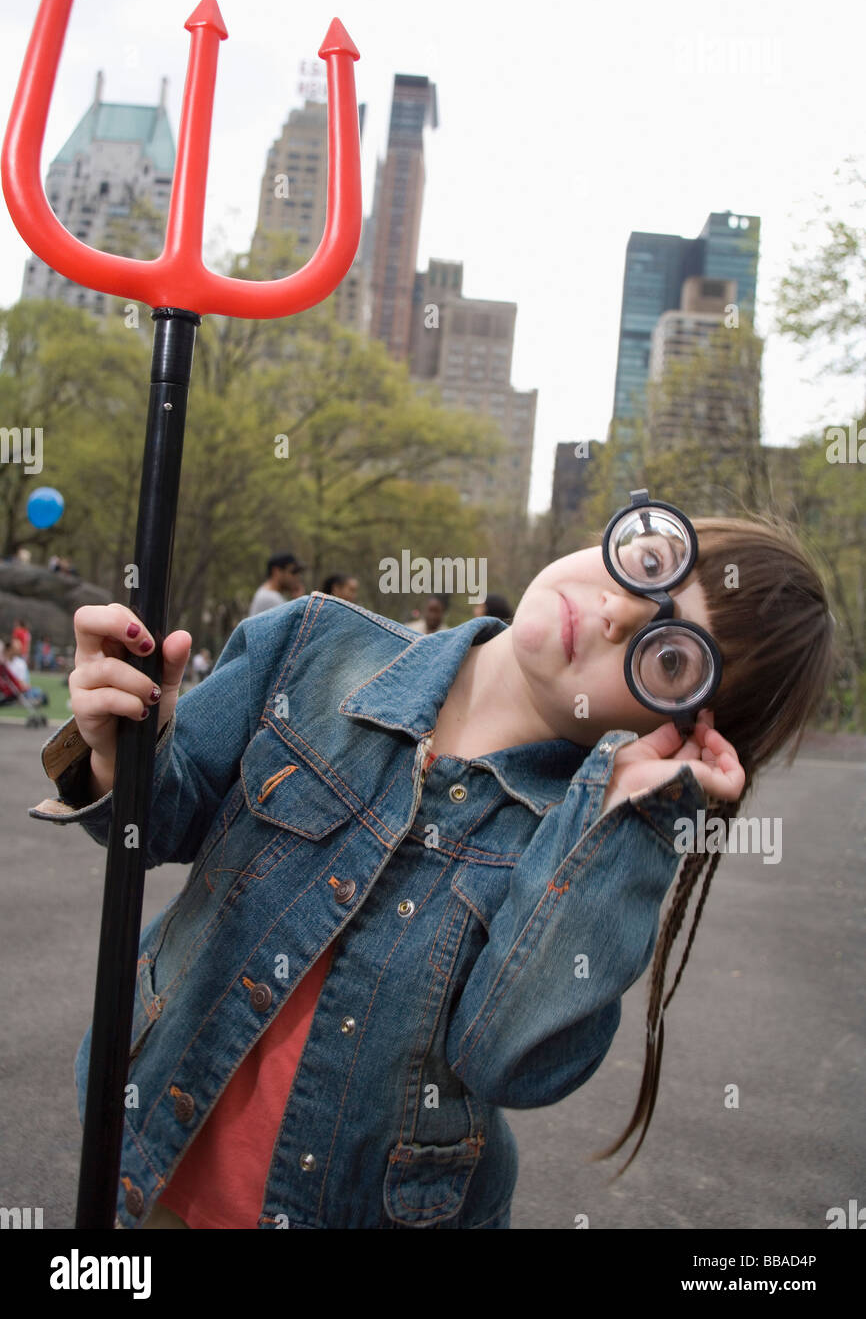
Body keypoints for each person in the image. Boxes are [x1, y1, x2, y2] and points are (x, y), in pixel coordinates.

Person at [28, 495, 836, 1229]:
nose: (618, 612)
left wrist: (634, 823)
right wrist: (118, 749)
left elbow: (510, 1058)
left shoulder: (582, 847)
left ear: (690, 732)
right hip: (143, 1153)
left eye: (668, 659)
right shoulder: (313, 643)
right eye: (650, 564)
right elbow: (159, 821)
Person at [247, 553, 306, 617]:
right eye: (293, 572)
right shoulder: (270, 598)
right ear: (276, 571)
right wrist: (299, 602)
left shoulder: (269, 593)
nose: (297, 577)